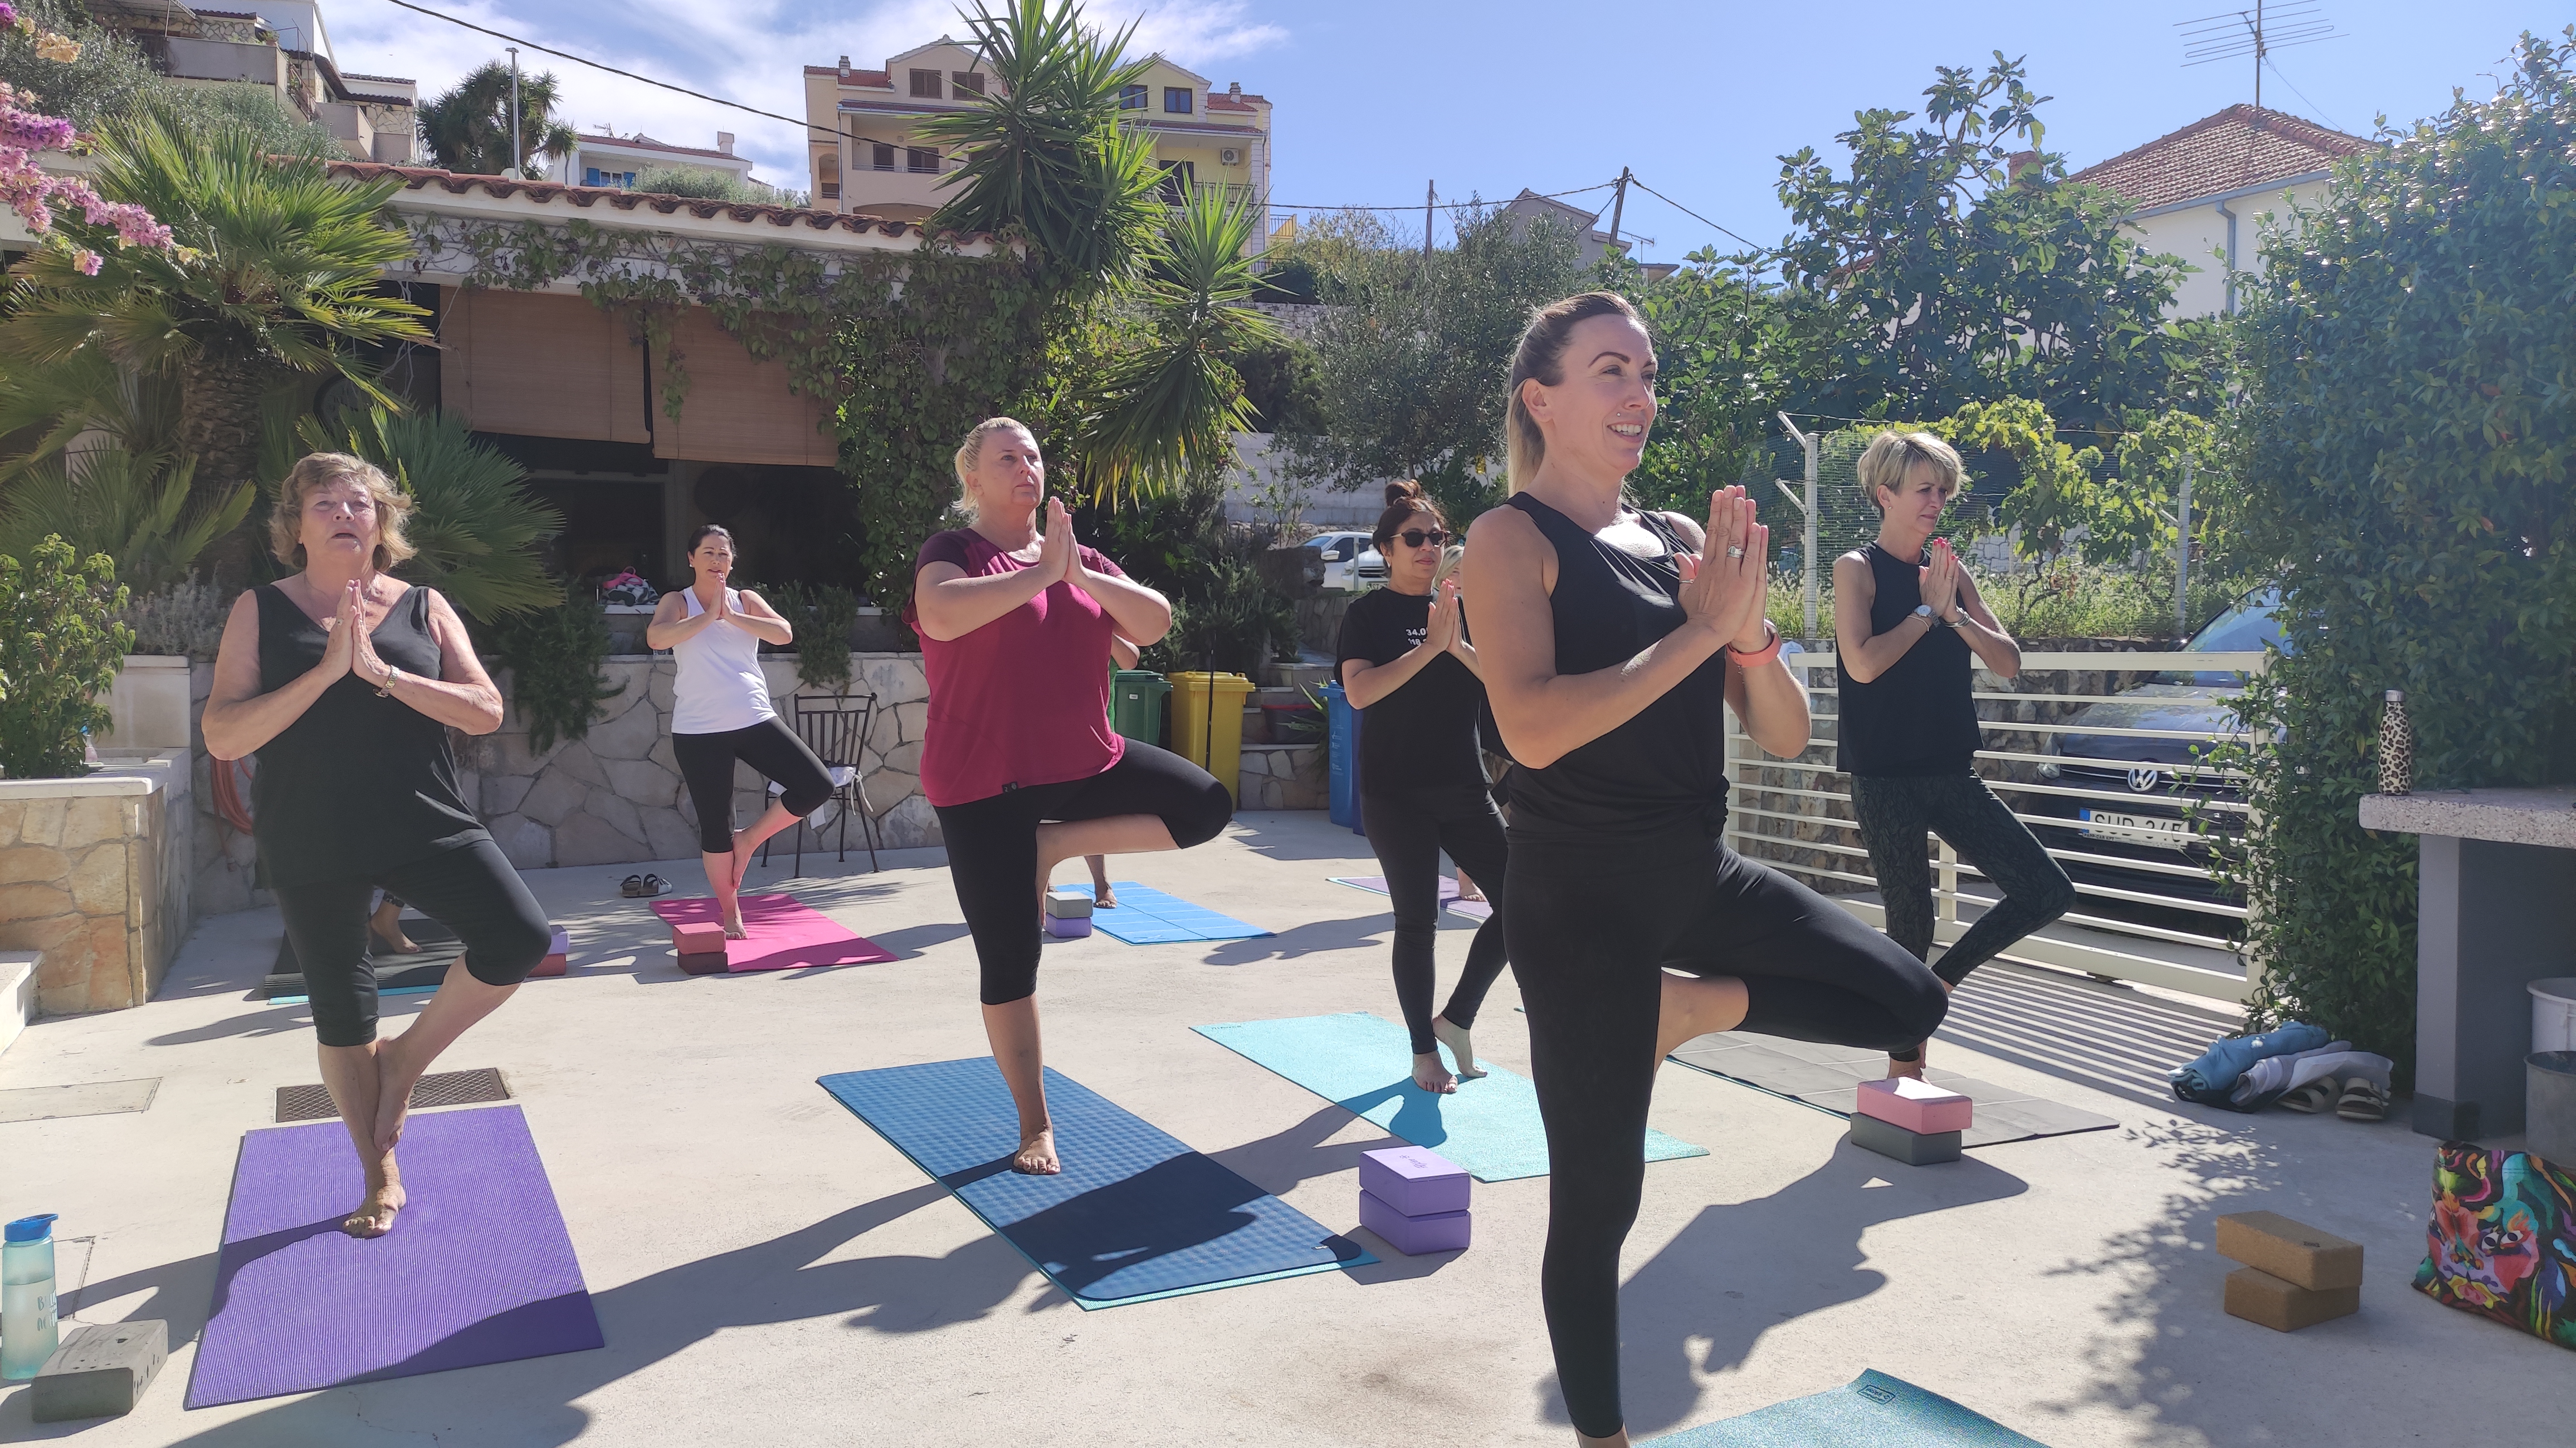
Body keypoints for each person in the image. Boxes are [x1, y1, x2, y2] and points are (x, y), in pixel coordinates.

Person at [1459, 293, 1949, 1447]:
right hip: (1574, 900)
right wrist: (1693, 630)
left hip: (1691, 866)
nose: (1637, 395)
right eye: (1608, 372)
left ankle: (1681, 1009)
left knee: (1908, 1001)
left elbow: (1780, 732)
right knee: (1598, 1202)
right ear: (1541, 398)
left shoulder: (1680, 544)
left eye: (1645, 373)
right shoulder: (1507, 540)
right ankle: (1601, 1436)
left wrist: (1742, 630)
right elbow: (1527, 728)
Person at [202, 453, 552, 1239]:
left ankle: (408, 1062)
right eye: (324, 503)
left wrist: (383, 675)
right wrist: (327, 674)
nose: (344, 514)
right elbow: (224, 735)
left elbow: (485, 710)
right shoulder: (260, 610)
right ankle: (379, 1175)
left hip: (421, 818)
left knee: (518, 935)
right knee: (342, 1010)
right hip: (310, 829)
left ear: (381, 521)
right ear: (295, 527)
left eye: (359, 502)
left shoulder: (423, 604)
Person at [906, 418, 1233, 1175]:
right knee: (1010, 963)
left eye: (1033, 456)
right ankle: (1035, 1126)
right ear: (975, 480)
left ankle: (1054, 845)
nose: (1026, 466)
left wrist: (1077, 574)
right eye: (1007, 458)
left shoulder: (1081, 559)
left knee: (1205, 805)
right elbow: (941, 614)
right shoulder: (952, 554)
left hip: (1084, 765)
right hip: (981, 786)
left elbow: (1152, 623)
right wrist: (1040, 575)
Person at [1834, 432, 2075, 1078]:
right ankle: (1902, 1076)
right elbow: (1861, 664)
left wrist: (1956, 614)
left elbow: (2009, 662)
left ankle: (1935, 986)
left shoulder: (1951, 568)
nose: (1937, 501)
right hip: (1883, 776)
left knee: (2047, 890)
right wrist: (1923, 610)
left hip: (1950, 771)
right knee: (1909, 924)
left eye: (1943, 489)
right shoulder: (1855, 567)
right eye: (1924, 489)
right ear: (1885, 494)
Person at [1337, 480, 1509, 1093]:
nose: (1428, 547)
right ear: (1386, 548)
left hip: (1464, 788)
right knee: (1417, 923)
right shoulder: (1367, 615)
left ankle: (1455, 1018)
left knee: (1524, 905)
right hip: (1395, 793)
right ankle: (1421, 1053)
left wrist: (1453, 644)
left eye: (1438, 537)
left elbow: (1503, 682)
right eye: (1414, 538)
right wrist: (1426, 649)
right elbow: (1359, 691)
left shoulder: (1465, 610)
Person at [646, 525, 834, 937]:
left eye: (724, 554)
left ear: (733, 562)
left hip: (752, 717)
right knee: (715, 825)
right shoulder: (678, 602)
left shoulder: (745, 600)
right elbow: (656, 638)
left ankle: (749, 840)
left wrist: (730, 615)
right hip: (698, 730)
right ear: (691, 559)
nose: (717, 560)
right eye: (708, 552)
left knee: (817, 785)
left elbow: (783, 633)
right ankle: (730, 911)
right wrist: (706, 618)